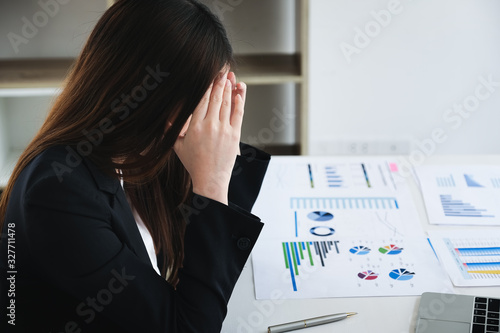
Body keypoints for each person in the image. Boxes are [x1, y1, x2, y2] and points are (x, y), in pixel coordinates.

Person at [0, 0, 270, 332]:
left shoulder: (138, 146)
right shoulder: (57, 193)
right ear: (152, 98)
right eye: (205, 100)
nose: (208, 118)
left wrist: (219, 157)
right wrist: (212, 180)